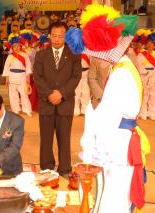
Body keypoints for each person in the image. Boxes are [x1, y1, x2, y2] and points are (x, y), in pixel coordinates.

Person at [67, 3, 150, 212]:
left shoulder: (121, 74)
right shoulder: (123, 68)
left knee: (110, 202)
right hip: (121, 142)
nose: (94, 60)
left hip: (116, 147)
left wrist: (89, 153)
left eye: (96, 56)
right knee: (117, 199)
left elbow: (106, 119)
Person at [33, 21, 81, 177]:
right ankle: (47, 167)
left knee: (64, 138)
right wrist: (49, 94)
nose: (57, 39)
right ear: (49, 36)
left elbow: (76, 77)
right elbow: (37, 77)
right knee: (46, 138)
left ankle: (65, 168)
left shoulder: (74, 55)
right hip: (46, 103)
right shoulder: (41, 55)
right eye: (54, 36)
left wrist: (61, 93)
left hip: (65, 102)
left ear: (66, 37)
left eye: (61, 36)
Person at [2, 34, 32, 117]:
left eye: (18, 46)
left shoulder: (25, 55)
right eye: (14, 46)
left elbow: (28, 67)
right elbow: (6, 68)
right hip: (12, 76)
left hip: (22, 76)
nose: (16, 48)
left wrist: (28, 78)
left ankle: (27, 109)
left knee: (24, 94)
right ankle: (15, 109)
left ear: (20, 46)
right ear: (12, 47)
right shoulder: (10, 56)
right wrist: (7, 79)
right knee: (13, 94)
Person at [136, 37, 155, 120]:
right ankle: (142, 112)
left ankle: (152, 113)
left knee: (153, 95)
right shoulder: (142, 54)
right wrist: (145, 72)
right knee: (144, 94)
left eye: (152, 43)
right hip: (145, 75)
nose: (150, 45)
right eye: (149, 43)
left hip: (154, 75)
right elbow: (138, 65)